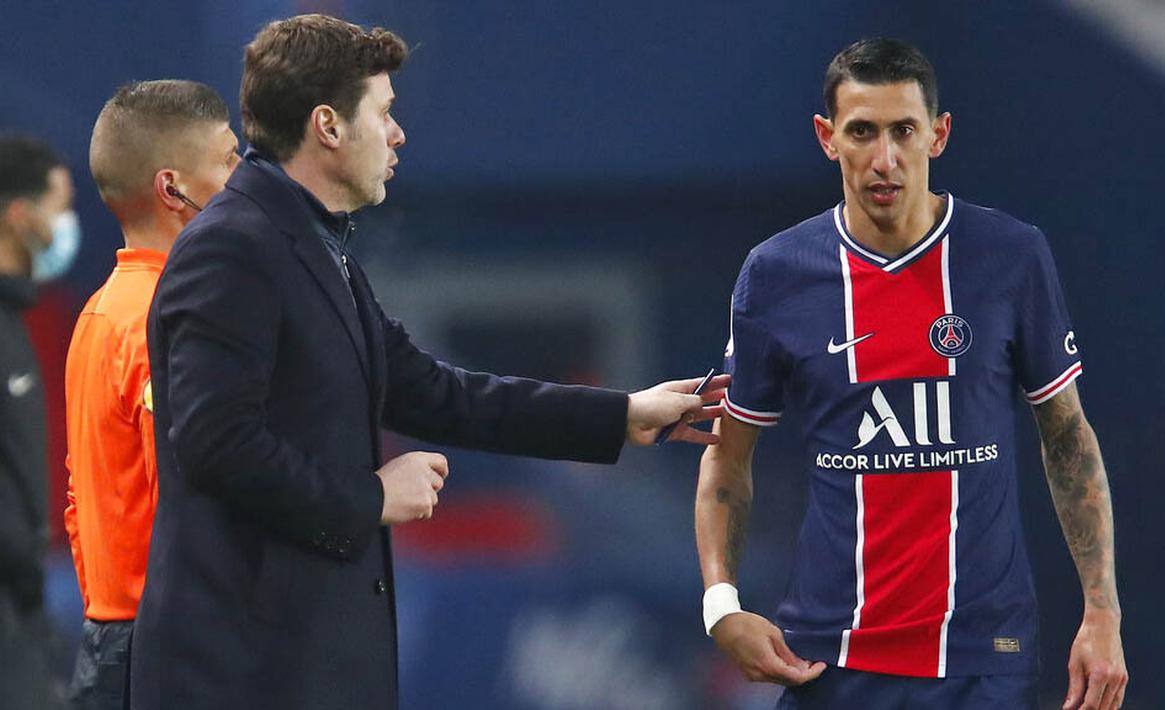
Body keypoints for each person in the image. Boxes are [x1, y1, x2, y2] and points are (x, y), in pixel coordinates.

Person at [129, 14, 725, 709]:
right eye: (383, 113)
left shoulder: (317, 250)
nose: (398, 134)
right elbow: (216, 445)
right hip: (239, 675)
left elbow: (436, 393)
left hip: (298, 667)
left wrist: (621, 414)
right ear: (328, 126)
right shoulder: (230, 247)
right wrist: (371, 499)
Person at [695, 38, 1127, 710]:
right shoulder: (777, 275)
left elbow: (1068, 437)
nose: (885, 159)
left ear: (938, 134)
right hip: (828, 656)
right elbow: (727, 455)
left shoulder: (1010, 256)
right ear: (827, 138)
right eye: (861, 132)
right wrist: (720, 604)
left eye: (903, 130)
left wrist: (1101, 613)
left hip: (983, 657)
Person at [63, 80, 239, 710]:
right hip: (173, 650)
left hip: (112, 643)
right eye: (229, 161)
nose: (243, 180)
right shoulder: (165, 319)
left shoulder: (98, 313)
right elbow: (188, 505)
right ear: (172, 188)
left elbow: (80, 501)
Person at [0, 134, 75, 709]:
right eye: (60, 208)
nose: (66, 225)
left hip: (25, 602)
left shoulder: (24, 315)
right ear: (21, 216)